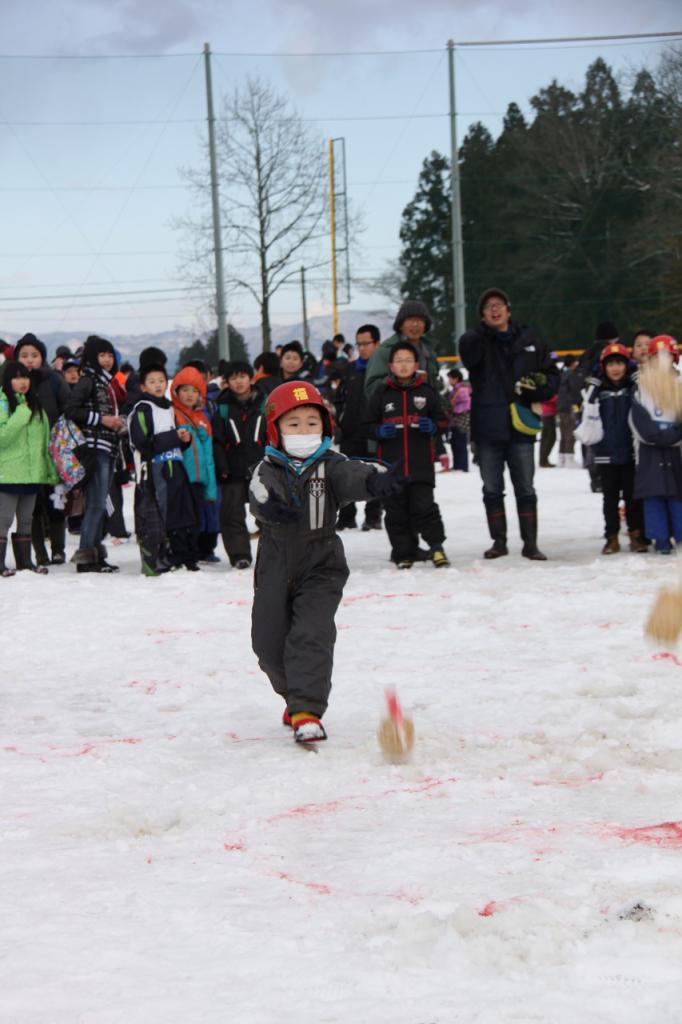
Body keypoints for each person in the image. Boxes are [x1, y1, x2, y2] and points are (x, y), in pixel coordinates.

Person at [249, 380, 406, 744]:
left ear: (325, 427)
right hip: (275, 562)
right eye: (294, 424)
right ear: (275, 429)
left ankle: (307, 708)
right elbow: (258, 493)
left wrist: (377, 480)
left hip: (321, 562)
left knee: (311, 633)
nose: (304, 431)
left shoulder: (330, 465)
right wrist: (270, 505)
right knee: (267, 643)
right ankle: (294, 693)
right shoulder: (268, 468)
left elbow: (356, 473)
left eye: (312, 423)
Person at [459, 287, 559, 560]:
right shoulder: (476, 340)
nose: (494, 309)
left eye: (499, 304)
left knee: (525, 488)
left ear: (509, 310)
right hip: (488, 427)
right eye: (488, 305)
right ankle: (499, 542)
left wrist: (537, 391)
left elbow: (551, 374)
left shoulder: (530, 338)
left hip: (521, 426)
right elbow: (468, 355)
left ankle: (531, 543)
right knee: (492, 489)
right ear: (482, 314)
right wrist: (481, 332)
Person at [366, 340, 449, 569]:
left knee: (425, 508)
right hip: (391, 467)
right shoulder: (381, 393)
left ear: (416, 364)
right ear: (391, 366)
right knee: (395, 512)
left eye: (408, 361)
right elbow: (367, 424)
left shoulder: (427, 392)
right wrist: (378, 431)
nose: (403, 365)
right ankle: (403, 553)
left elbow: (443, 420)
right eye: (399, 361)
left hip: (420, 466)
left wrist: (433, 426)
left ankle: (436, 548)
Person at [128, 364, 199, 575]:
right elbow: (142, 442)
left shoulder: (168, 407)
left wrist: (183, 439)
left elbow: (167, 436)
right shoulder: (142, 408)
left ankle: (175, 555)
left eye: (161, 381)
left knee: (178, 512)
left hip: (174, 465)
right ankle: (154, 559)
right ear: (143, 386)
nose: (158, 385)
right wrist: (173, 437)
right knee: (156, 514)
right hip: (154, 469)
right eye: (152, 381)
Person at [65, 335, 125, 573]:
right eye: (102, 355)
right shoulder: (88, 380)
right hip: (95, 448)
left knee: (100, 503)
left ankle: (94, 553)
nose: (108, 360)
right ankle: (86, 557)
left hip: (108, 447)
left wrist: (118, 424)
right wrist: (103, 420)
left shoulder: (107, 383)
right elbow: (71, 409)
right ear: (92, 357)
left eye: (110, 355)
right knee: (97, 503)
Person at [580, 343, 647, 554]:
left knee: (632, 497)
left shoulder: (632, 388)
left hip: (630, 452)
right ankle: (611, 536)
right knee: (609, 498)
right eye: (611, 364)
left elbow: (644, 401)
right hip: (605, 453)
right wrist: (595, 382)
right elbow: (586, 409)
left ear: (627, 365)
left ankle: (636, 535)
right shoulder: (599, 390)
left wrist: (637, 378)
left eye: (620, 363)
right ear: (603, 367)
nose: (615, 368)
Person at [14, 333, 70, 565]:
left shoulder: (54, 380)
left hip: (53, 451)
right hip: (26, 455)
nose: (29, 360)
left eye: (34, 355)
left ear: (42, 357)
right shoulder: (13, 382)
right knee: (32, 507)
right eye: (24, 355)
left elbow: (68, 409)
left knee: (56, 503)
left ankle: (58, 549)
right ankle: (39, 553)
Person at [0, 362, 58, 576]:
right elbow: (2, 438)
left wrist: (49, 468)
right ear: (6, 380)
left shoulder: (35, 403)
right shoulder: (3, 401)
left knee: (26, 519)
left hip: (32, 472)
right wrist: (22, 413)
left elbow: (43, 442)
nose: (22, 382)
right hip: (7, 472)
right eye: (16, 377)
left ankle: (25, 562)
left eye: (25, 377)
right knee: (3, 520)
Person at [630, 335, 682, 555]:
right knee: (653, 496)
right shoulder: (640, 388)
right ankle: (660, 540)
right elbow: (637, 420)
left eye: (667, 357)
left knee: (677, 495)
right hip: (649, 451)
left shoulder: (679, 386)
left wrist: (673, 436)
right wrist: (655, 436)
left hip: (676, 451)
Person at [213, 361, 266, 569]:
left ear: (251, 379)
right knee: (231, 514)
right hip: (232, 470)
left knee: (269, 512)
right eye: (233, 378)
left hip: (261, 469)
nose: (238, 382)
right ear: (227, 383)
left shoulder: (265, 404)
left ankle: (273, 553)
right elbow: (217, 441)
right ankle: (240, 555)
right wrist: (222, 467)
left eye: (242, 377)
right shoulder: (223, 408)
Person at [170, 366, 218, 571]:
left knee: (196, 519)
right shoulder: (171, 414)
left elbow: (209, 456)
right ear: (176, 391)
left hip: (199, 478)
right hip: (180, 477)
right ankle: (181, 555)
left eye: (194, 390)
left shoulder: (203, 419)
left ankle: (193, 554)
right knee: (181, 519)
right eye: (185, 390)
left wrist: (211, 486)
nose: (189, 395)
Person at [335, 324, 383, 530]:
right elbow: (339, 398)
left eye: (366, 344)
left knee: (374, 473)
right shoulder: (349, 369)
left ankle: (373, 517)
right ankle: (347, 517)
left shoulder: (383, 370)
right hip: (350, 432)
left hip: (374, 433)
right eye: (359, 344)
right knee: (347, 475)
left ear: (377, 344)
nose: (362, 348)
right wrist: (340, 421)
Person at [365, 300, 440, 396]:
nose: (415, 324)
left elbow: (435, 388)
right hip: (395, 408)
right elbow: (371, 390)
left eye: (420, 320)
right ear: (400, 325)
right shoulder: (385, 351)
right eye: (410, 319)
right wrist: (401, 378)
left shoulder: (429, 352)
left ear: (425, 325)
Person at [446, 368, 471, 472]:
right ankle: (457, 465)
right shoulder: (457, 389)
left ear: (456, 378)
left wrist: (455, 410)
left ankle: (462, 466)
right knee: (455, 442)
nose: (449, 381)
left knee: (460, 443)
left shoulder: (462, 389)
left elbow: (467, 404)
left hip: (460, 420)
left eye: (450, 378)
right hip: (455, 420)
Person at [557, 355, 579, 467]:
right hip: (568, 405)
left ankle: (562, 457)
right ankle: (569, 457)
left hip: (561, 405)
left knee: (563, 432)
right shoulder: (570, 373)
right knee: (570, 432)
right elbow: (574, 389)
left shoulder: (561, 372)